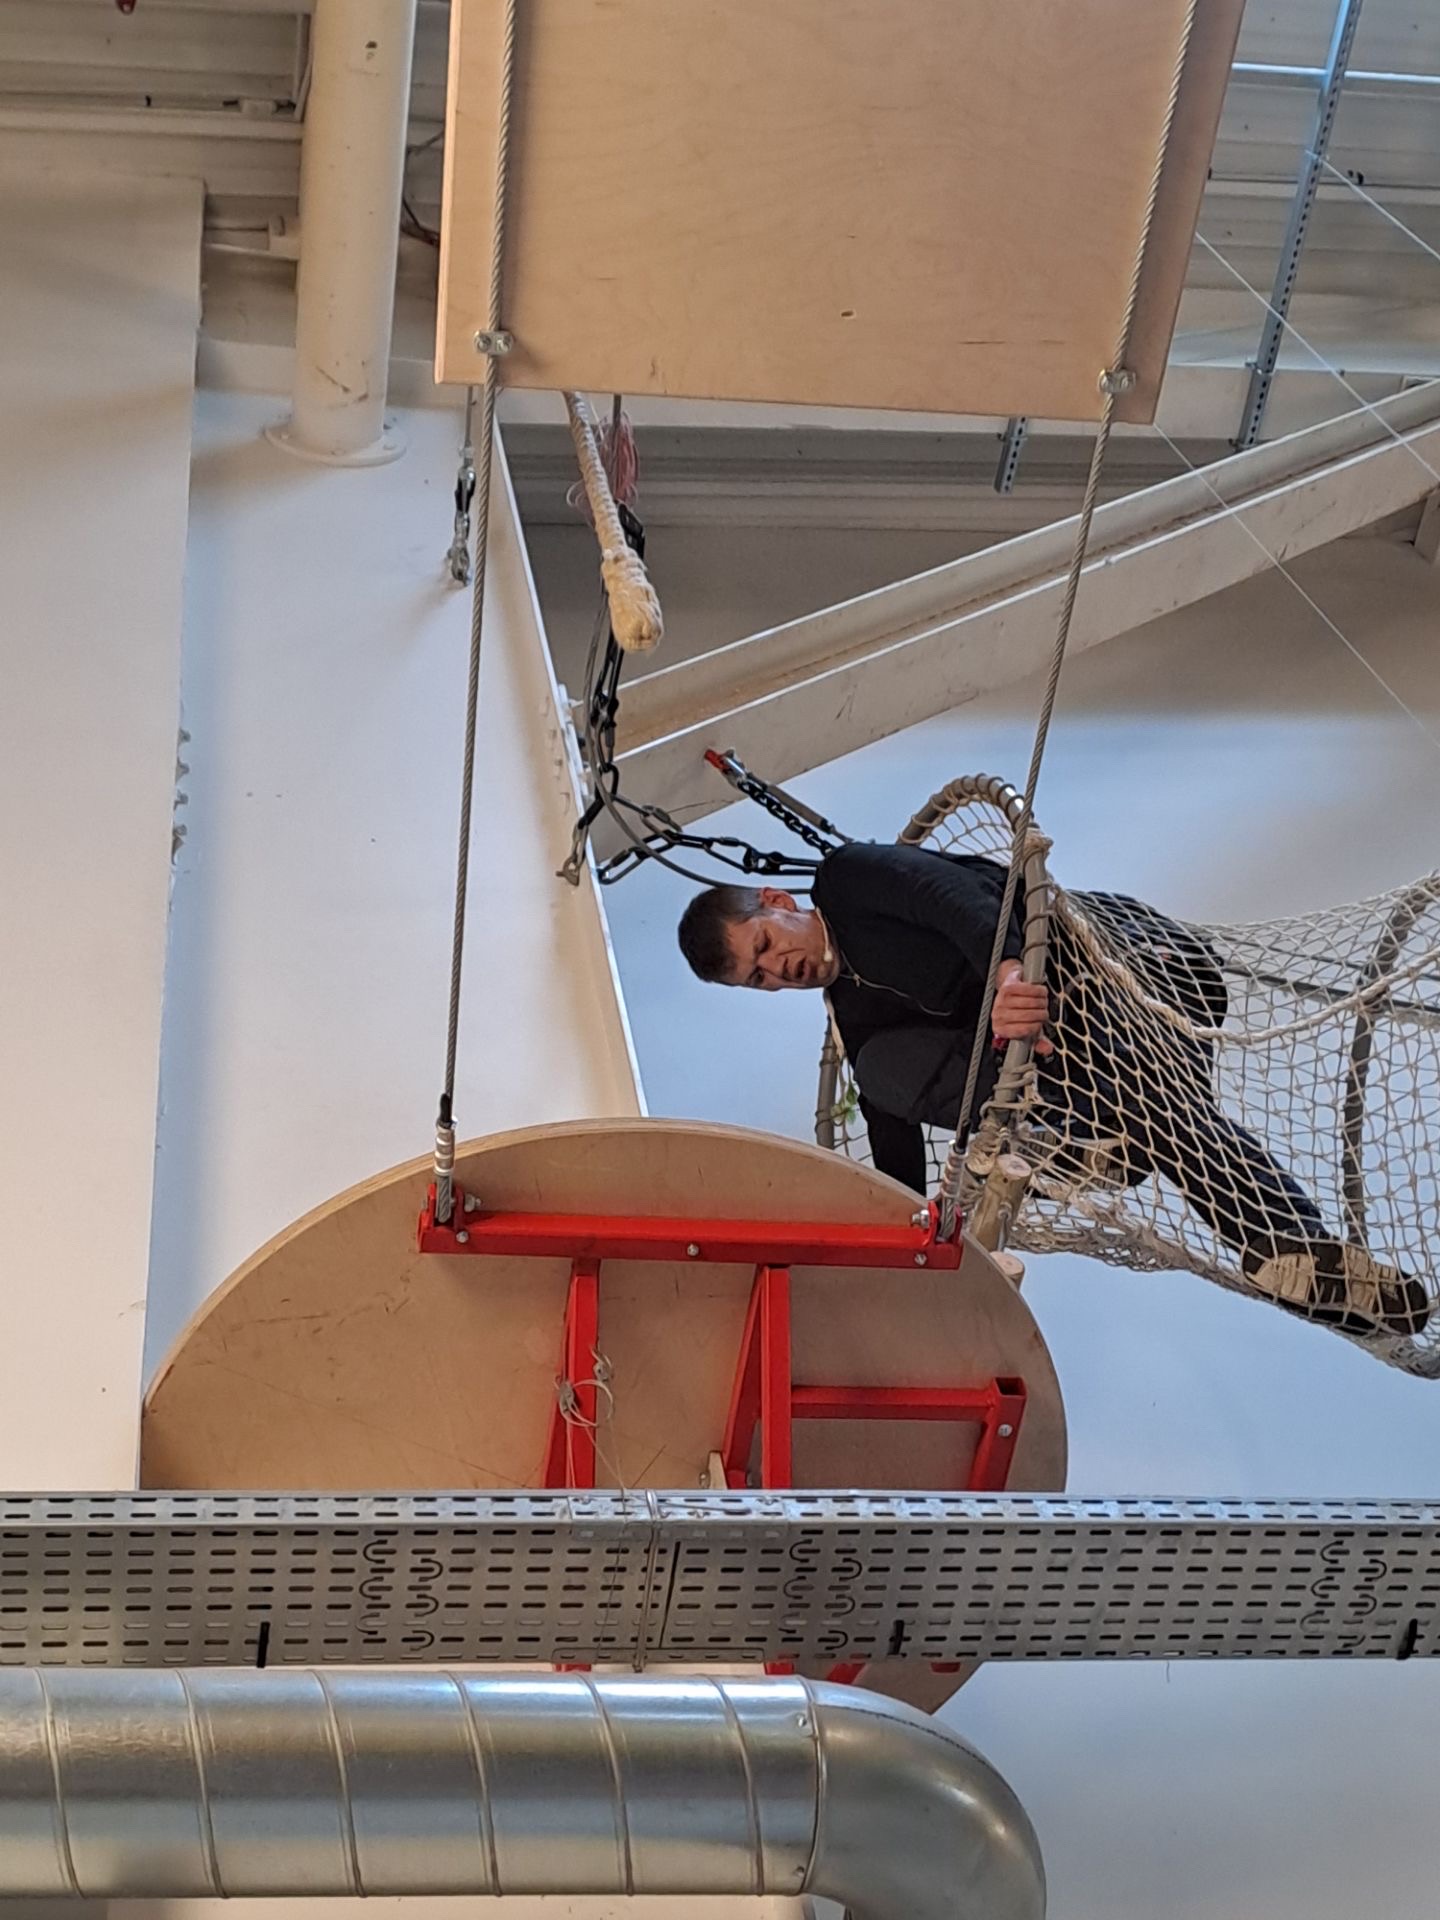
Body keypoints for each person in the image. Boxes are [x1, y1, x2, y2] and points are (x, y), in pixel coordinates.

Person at [677, 840, 1429, 1340]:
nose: (779, 970)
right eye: (759, 980)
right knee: (883, 1072)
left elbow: (950, 897)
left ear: (776, 901)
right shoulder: (857, 1020)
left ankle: (1278, 1240)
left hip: (1125, 966)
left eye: (766, 946)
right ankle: (1302, 1263)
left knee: (1138, 1098)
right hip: (1076, 1068)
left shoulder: (848, 881)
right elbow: (893, 1161)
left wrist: (1010, 972)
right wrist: (910, 1245)